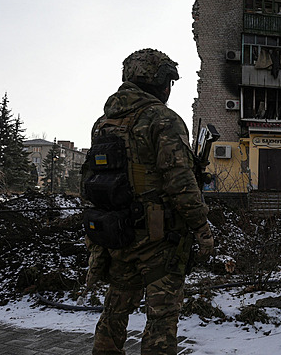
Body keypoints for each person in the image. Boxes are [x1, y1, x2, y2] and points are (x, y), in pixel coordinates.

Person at [81, 48, 214, 355]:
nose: (169, 89)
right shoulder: (163, 119)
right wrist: (202, 228)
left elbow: (88, 183)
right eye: (168, 81)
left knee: (114, 310)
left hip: (117, 233)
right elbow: (180, 182)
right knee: (161, 322)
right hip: (158, 240)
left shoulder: (103, 123)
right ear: (157, 82)